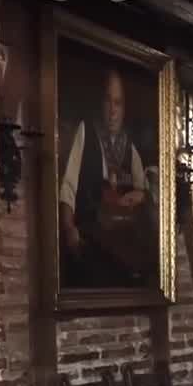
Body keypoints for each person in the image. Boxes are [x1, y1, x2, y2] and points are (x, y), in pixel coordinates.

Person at [58, 67, 150, 288]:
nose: (112, 111)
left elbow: (146, 190)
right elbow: (68, 186)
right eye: (108, 101)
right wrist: (69, 227)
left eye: (117, 103)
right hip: (90, 240)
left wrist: (141, 195)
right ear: (101, 103)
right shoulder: (86, 131)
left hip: (122, 246)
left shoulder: (130, 145)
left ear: (124, 108)